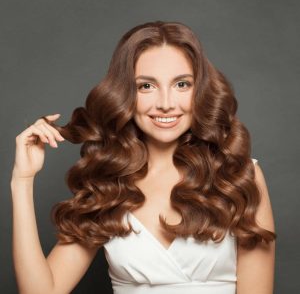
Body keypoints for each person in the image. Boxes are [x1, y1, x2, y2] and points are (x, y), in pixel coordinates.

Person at [11, 20, 276, 294]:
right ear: (125, 94)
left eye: (182, 84)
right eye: (146, 86)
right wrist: (22, 180)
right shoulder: (107, 186)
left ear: (200, 91)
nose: (165, 102)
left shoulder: (238, 176)